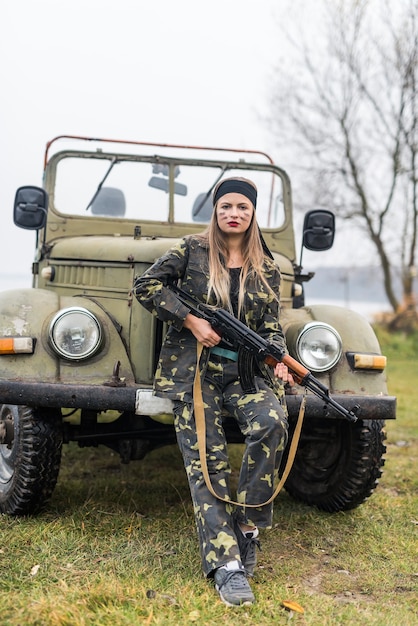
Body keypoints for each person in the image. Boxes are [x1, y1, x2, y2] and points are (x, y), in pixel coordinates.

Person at [133, 177, 293, 607]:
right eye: (226, 206)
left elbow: (270, 326)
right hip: (194, 371)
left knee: (272, 423)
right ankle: (226, 565)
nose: (233, 214)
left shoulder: (268, 266)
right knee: (209, 459)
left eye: (242, 206)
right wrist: (190, 320)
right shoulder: (191, 251)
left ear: (253, 213)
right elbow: (146, 286)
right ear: (215, 211)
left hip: (245, 376)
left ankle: (247, 528)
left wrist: (279, 357)